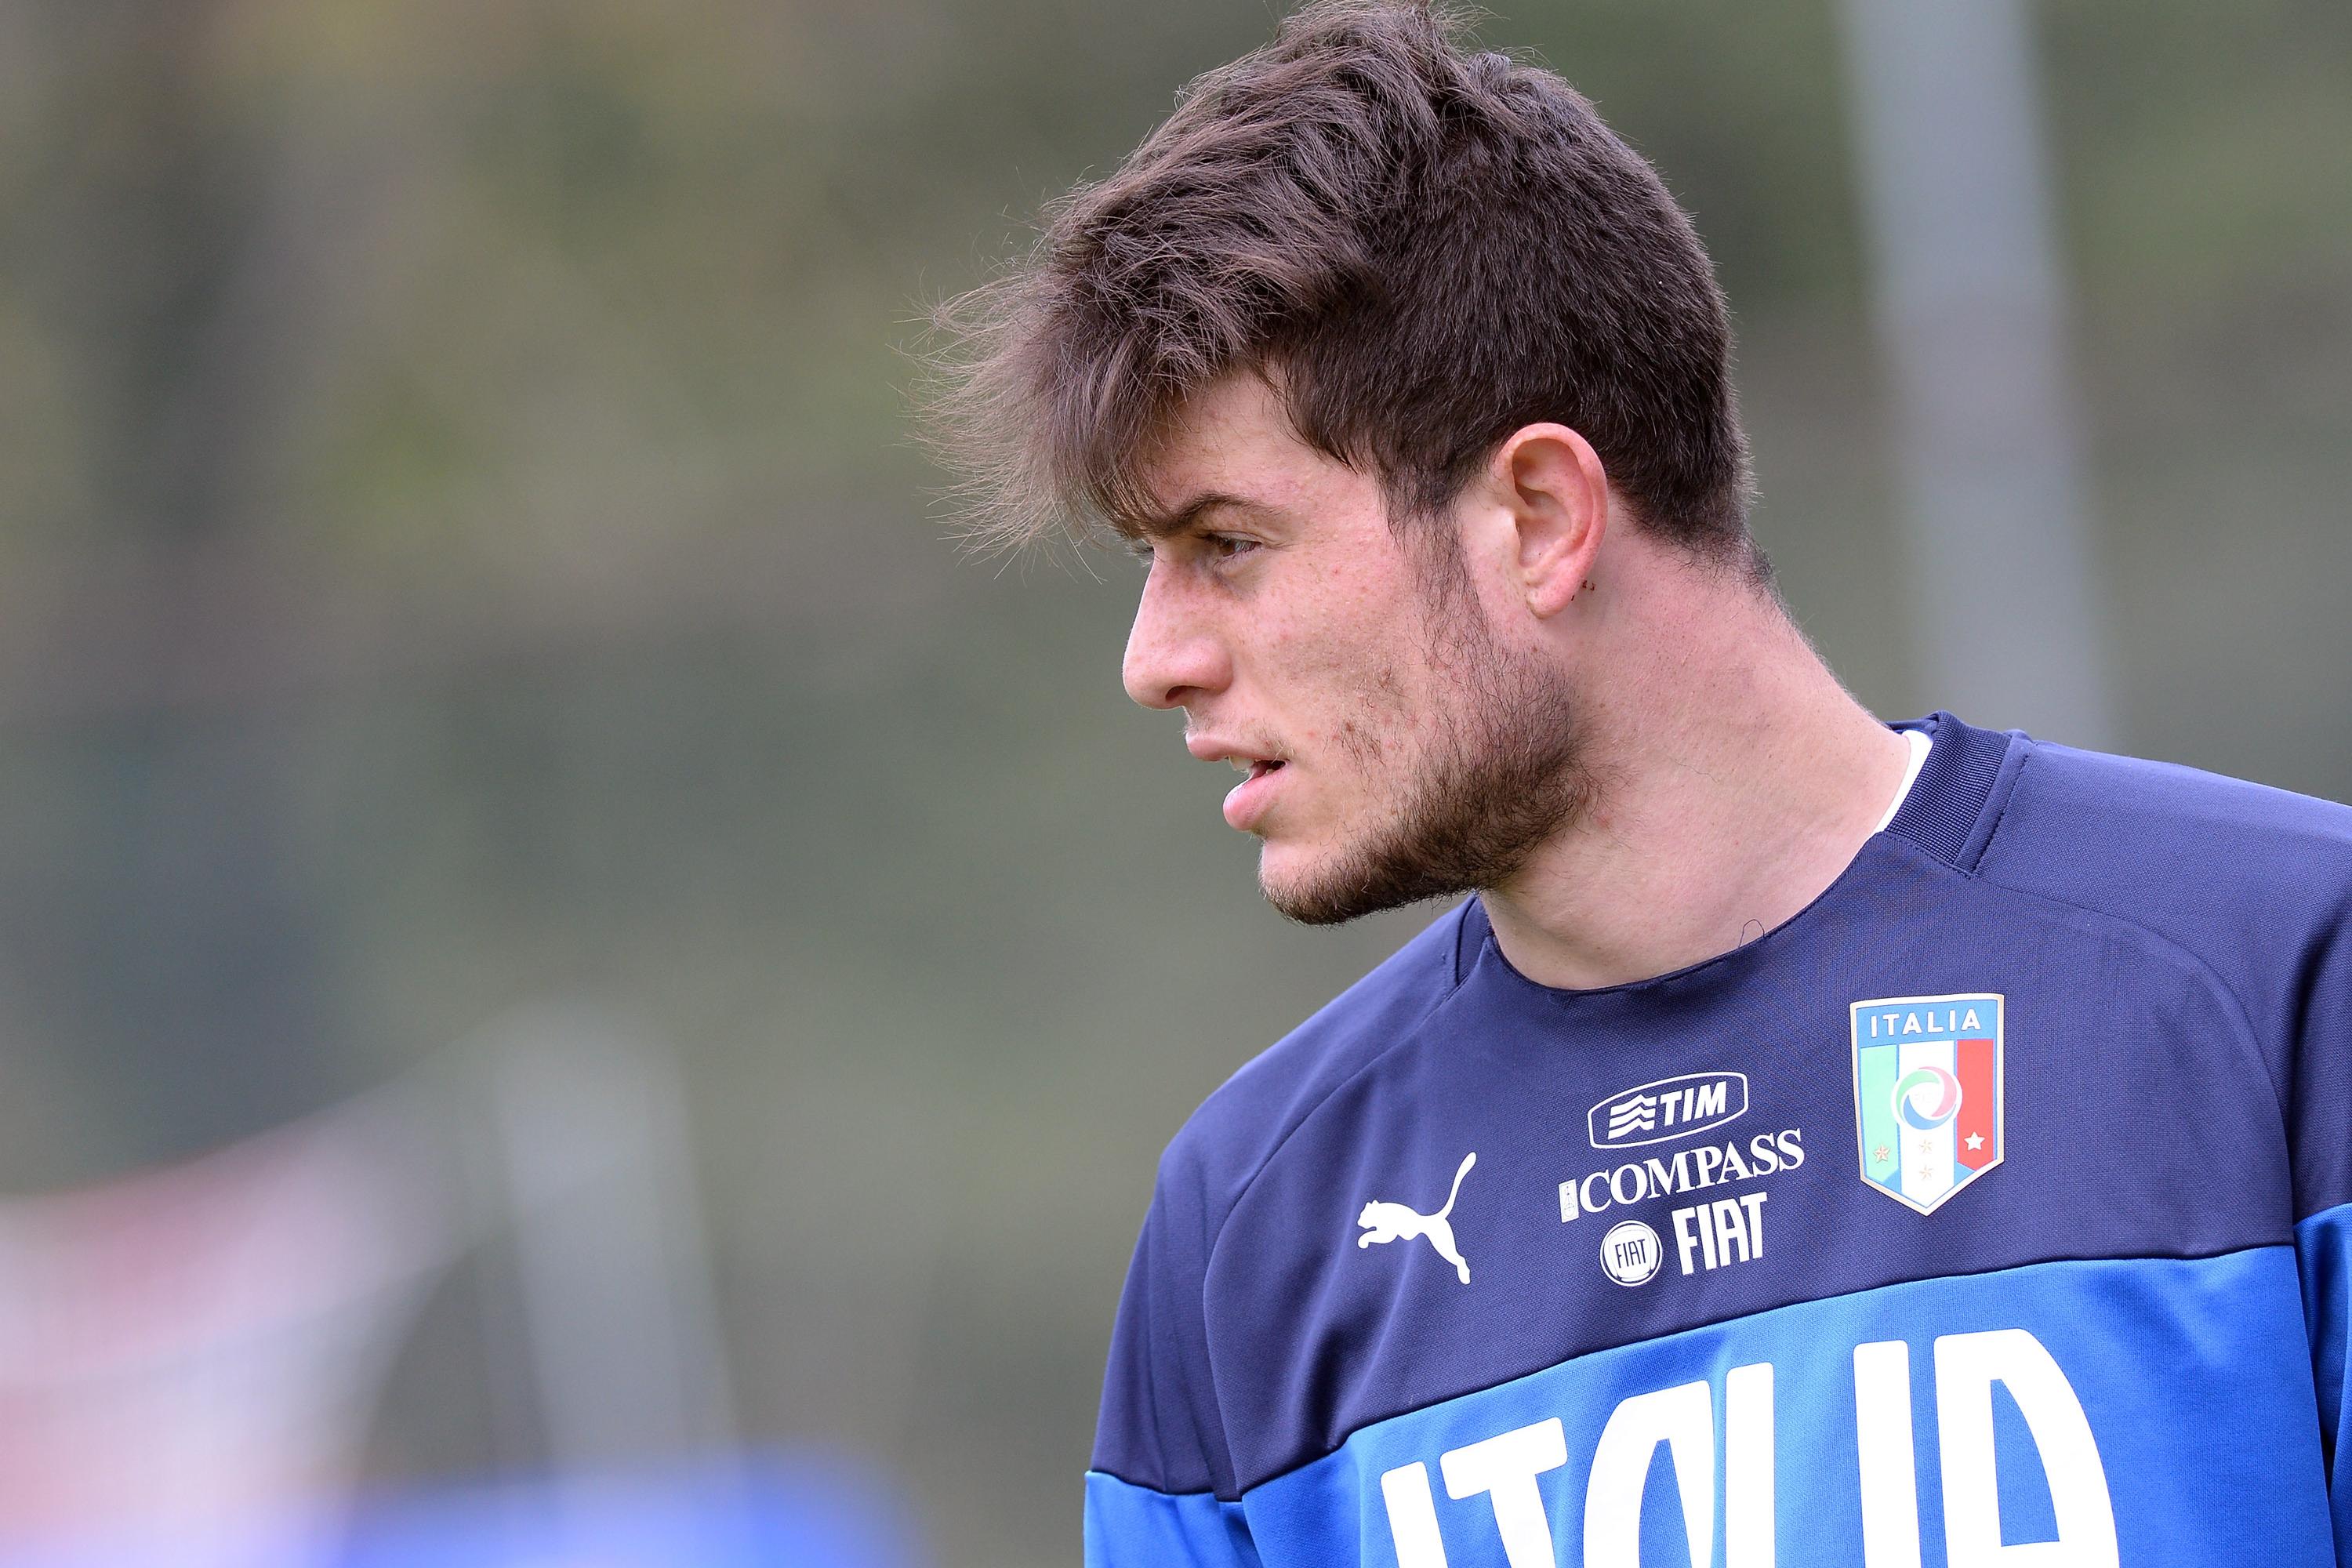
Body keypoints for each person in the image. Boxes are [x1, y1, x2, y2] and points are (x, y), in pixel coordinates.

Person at [924, 2, 2352, 1563]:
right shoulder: (1252, 1233)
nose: (1157, 658)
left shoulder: (2280, 981)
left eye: (1229, 546)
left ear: (1540, 514)